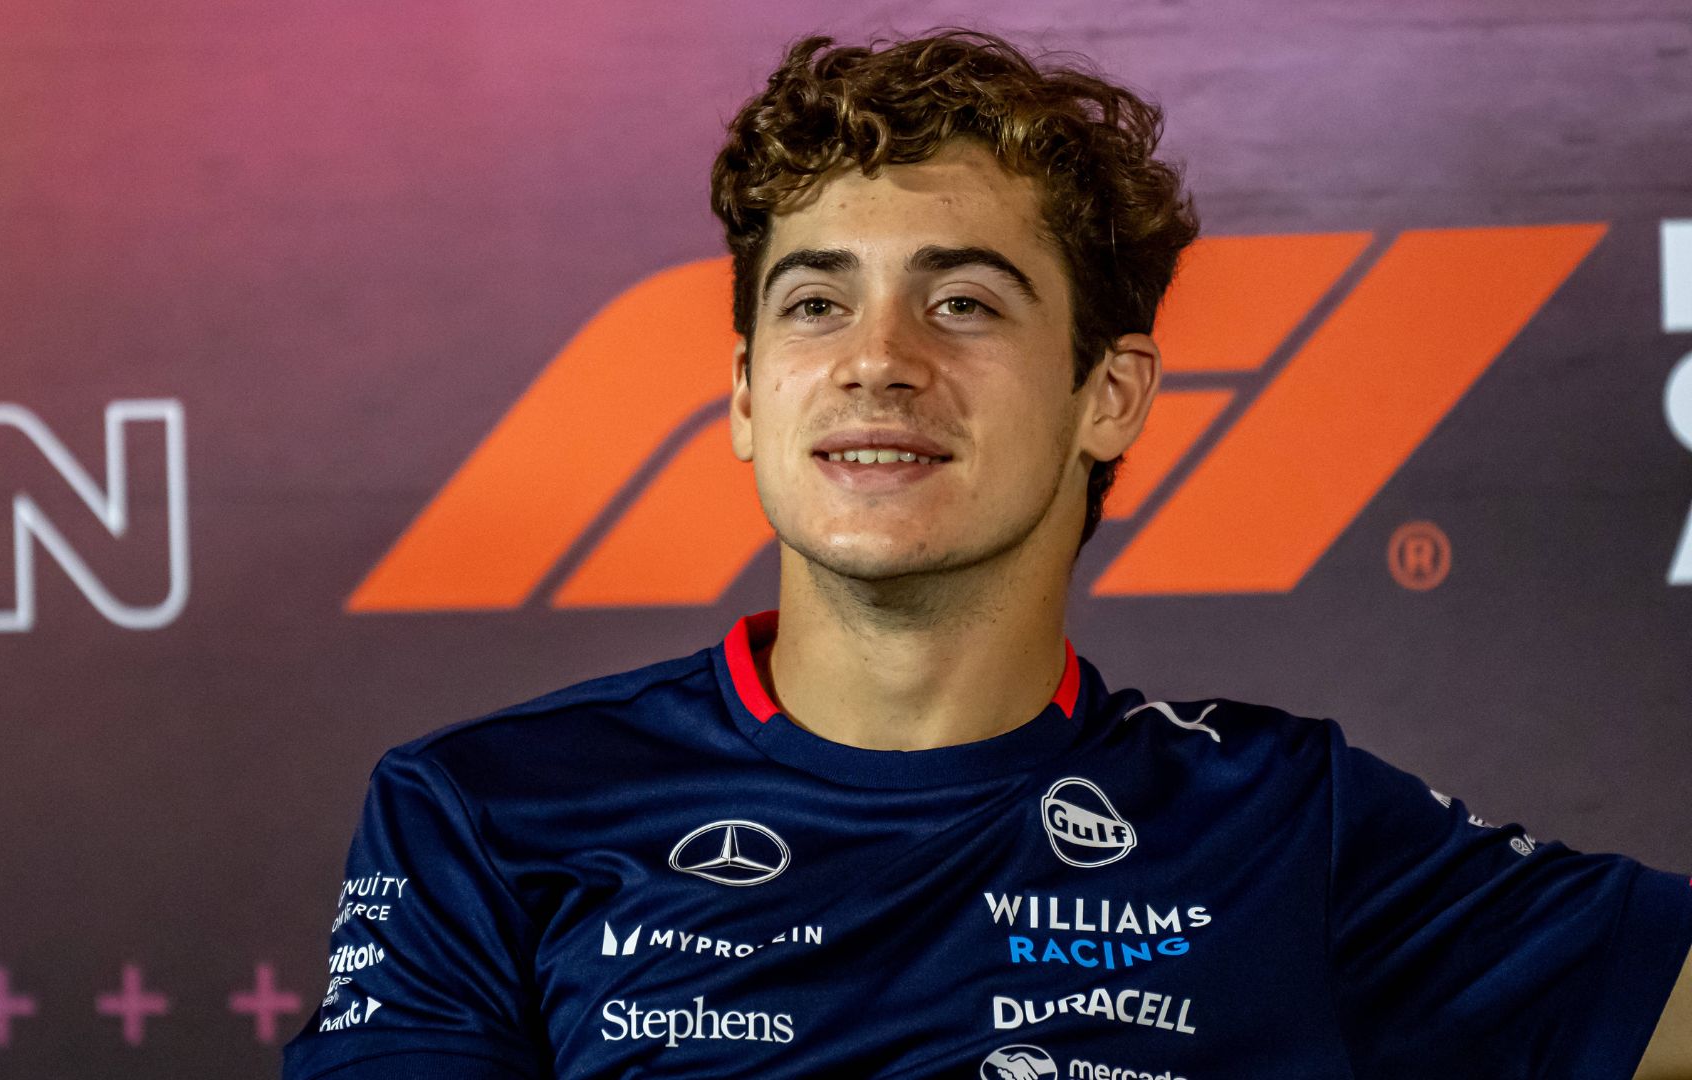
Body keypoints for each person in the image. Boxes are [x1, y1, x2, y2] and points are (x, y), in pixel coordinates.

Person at [283, 30, 1692, 1079]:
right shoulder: (481, 810)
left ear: (1111, 396)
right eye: (816, 305)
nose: (877, 364)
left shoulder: (1284, 819)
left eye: (962, 301)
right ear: (743, 394)